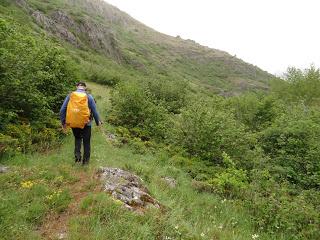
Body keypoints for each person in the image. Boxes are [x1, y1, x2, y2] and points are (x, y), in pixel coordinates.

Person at [60, 82, 102, 165]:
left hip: (74, 122)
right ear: (85, 88)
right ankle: (85, 162)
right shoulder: (89, 96)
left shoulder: (70, 96)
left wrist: (63, 122)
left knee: (78, 139)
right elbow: (94, 111)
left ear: (76, 87)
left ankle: (77, 159)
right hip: (87, 123)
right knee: (86, 142)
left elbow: (62, 110)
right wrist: (98, 122)